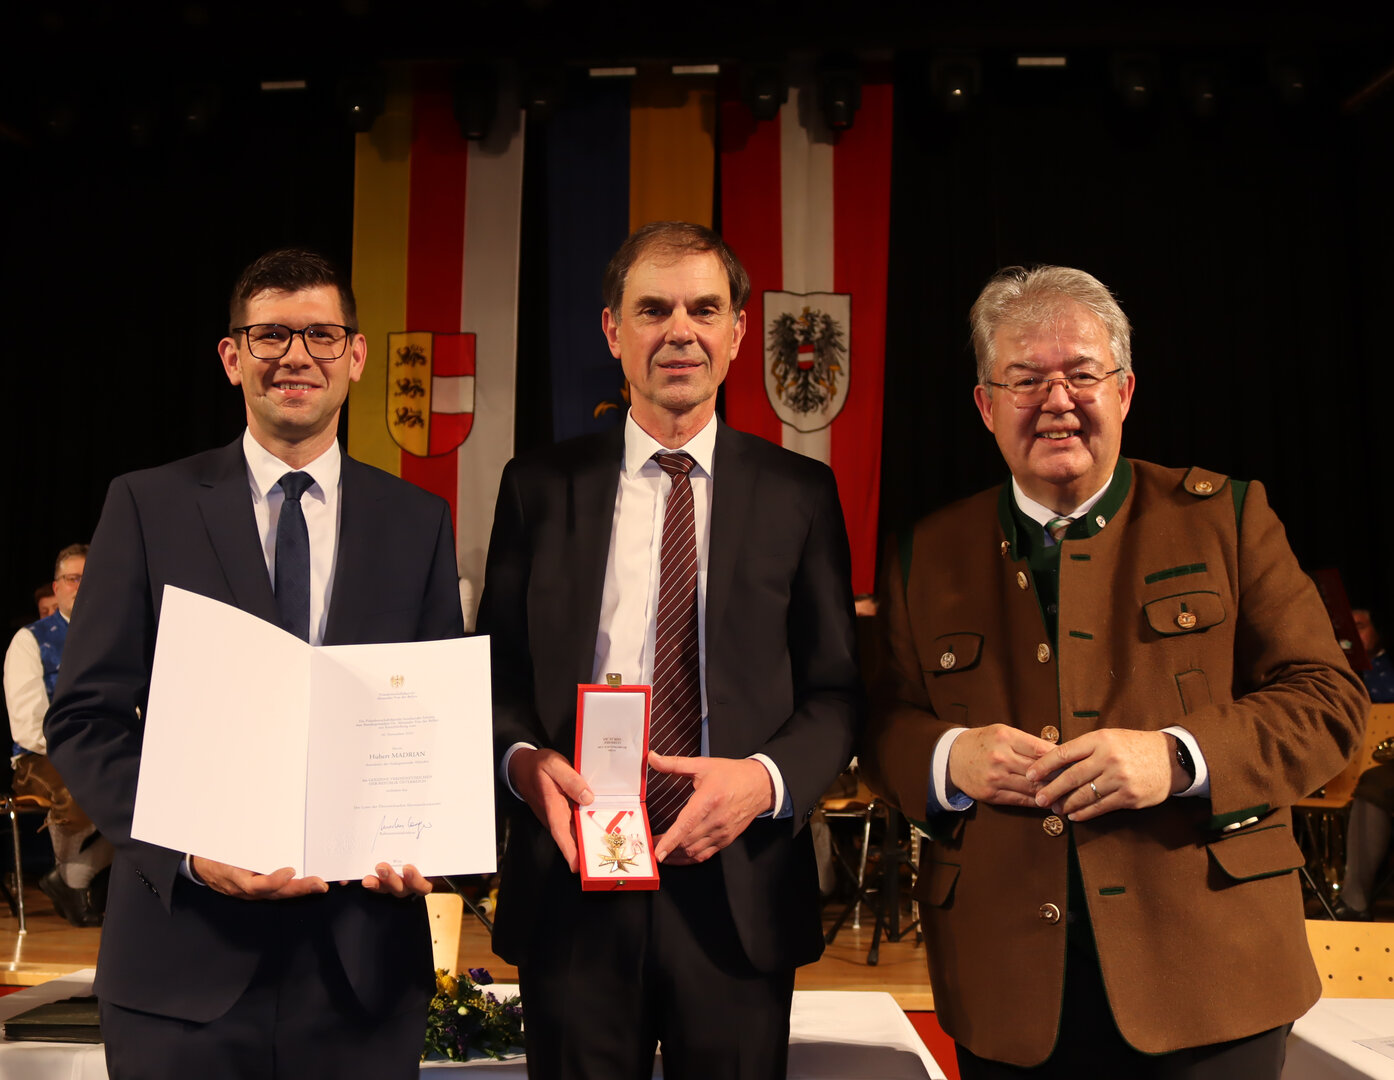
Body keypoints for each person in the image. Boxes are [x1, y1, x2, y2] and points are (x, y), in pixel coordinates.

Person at [864, 265, 1368, 1078]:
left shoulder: (1226, 516)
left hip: (1215, 973)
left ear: (1125, 390)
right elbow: (881, 723)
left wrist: (1176, 757)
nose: (1056, 400)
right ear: (986, 405)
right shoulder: (926, 553)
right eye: (1025, 379)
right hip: (1006, 986)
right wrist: (949, 757)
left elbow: (1329, 703)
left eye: (1082, 374)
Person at [45, 249, 465, 1079]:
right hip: (181, 966)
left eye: (320, 334)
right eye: (270, 335)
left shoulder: (417, 520)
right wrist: (189, 855)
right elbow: (86, 719)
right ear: (232, 357)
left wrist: (431, 842)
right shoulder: (147, 505)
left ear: (356, 355)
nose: (295, 356)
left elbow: (436, 722)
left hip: (361, 973)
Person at [477, 221, 860, 1079]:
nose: (679, 331)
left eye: (703, 309)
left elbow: (836, 690)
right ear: (613, 331)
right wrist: (522, 762)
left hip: (739, 884)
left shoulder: (801, 494)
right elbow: (493, 675)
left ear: (738, 332)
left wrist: (763, 781)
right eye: (653, 310)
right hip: (574, 881)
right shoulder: (536, 487)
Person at [4, 543, 112, 926]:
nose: (81, 587)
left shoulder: (113, 636)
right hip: (40, 756)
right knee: (81, 783)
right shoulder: (30, 640)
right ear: (57, 586)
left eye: (89, 578)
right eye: (72, 579)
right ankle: (74, 880)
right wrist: (80, 747)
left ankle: (72, 880)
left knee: (150, 788)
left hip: (105, 748)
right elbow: (27, 722)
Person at [1335, 607, 1394, 920]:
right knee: (1373, 781)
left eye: (1360, 627)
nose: (1353, 636)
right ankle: (1354, 904)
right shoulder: (1338, 672)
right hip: (1351, 767)